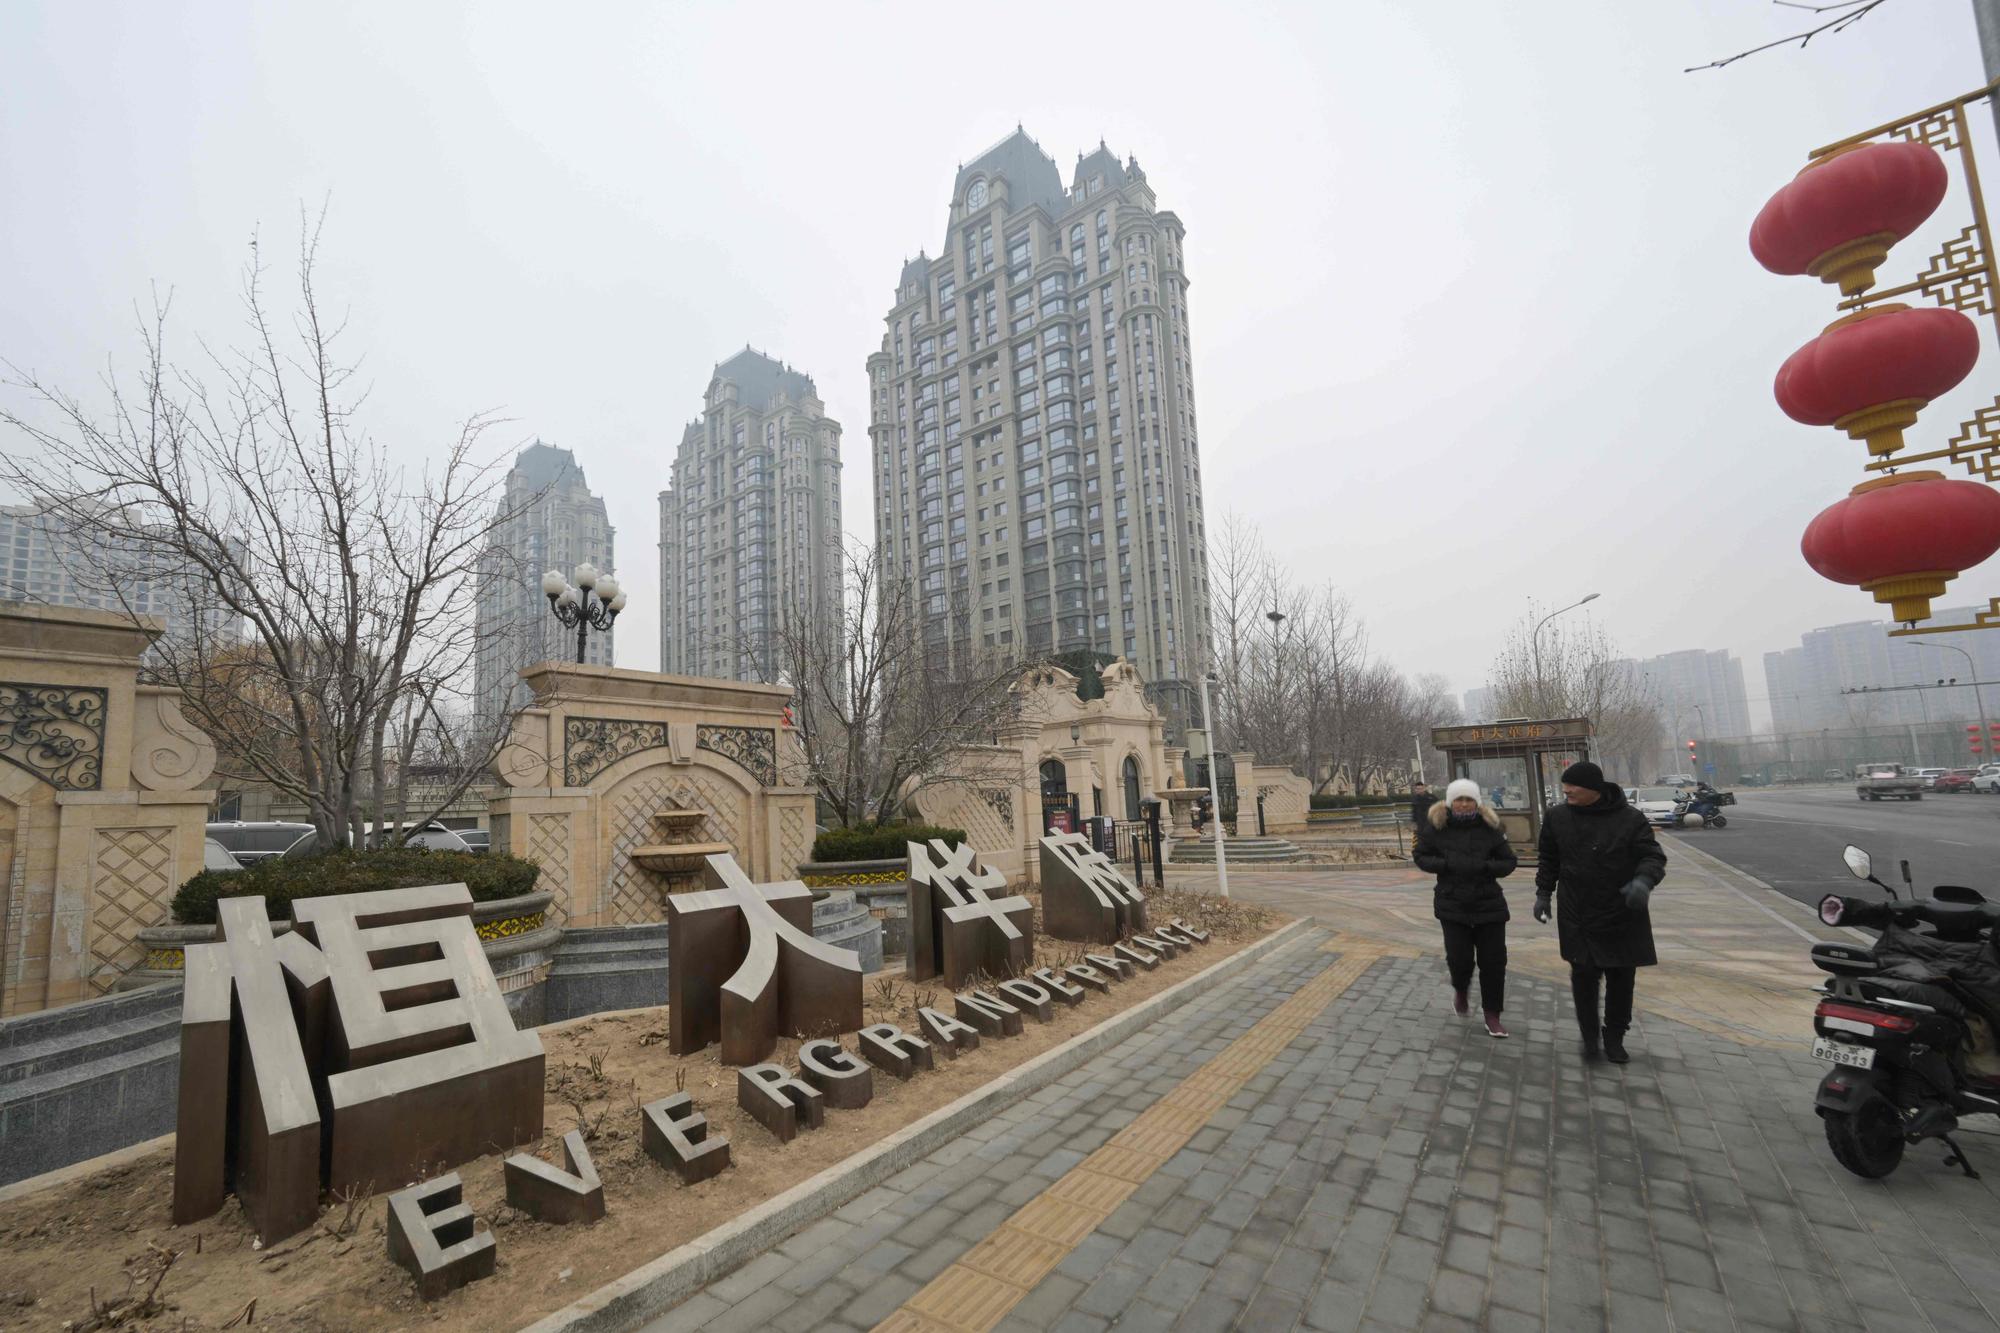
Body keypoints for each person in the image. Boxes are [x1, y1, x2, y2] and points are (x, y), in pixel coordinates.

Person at [1533, 760, 1667, 1064]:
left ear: (1593, 789)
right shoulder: (1557, 817)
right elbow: (1548, 859)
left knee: (1621, 977)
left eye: (1572, 786)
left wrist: (1643, 881)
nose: (1565, 790)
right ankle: (1590, 1037)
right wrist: (1543, 894)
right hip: (1576, 911)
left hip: (1620, 910)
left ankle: (1615, 1036)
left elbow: (1652, 856)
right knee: (1583, 976)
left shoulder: (1630, 819)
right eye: (1564, 785)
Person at [1412, 778, 1519, 1038]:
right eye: (1458, 799)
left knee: (1493, 962)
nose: (1463, 804)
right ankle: (1461, 989)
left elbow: (1508, 861)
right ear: (1450, 802)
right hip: (1452, 902)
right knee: (1459, 959)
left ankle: (1492, 1014)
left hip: (1489, 903)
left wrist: (1485, 867)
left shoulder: (1491, 826)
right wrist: (1445, 864)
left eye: (1468, 799)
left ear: (1476, 802)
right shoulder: (1436, 826)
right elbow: (1421, 856)